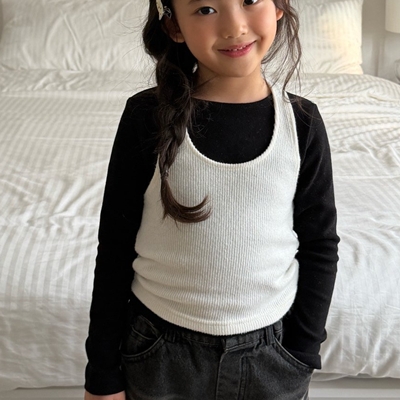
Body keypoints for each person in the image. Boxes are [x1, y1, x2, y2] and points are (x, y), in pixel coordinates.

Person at [84, 0, 339, 398]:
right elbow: (115, 246)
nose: (235, 27)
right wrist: (102, 373)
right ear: (174, 27)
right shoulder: (146, 115)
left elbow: (320, 243)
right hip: (159, 353)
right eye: (205, 9)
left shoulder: (302, 123)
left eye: (250, 0)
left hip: (272, 355)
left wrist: (302, 350)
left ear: (279, 7)